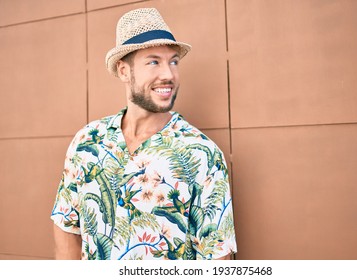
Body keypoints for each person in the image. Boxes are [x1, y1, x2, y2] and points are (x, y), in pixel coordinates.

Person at [51, 7, 237, 260]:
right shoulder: (87, 141)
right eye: (153, 62)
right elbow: (67, 227)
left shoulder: (201, 153)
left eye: (173, 61)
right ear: (124, 71)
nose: (168, 75)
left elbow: (217, 257)